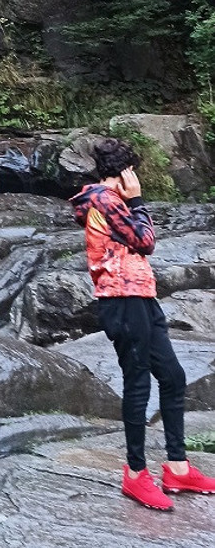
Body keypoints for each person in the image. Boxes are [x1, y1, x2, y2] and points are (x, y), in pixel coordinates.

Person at [72, 136, 215, 511]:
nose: (135, 177)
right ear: (122, 173)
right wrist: (136, 200)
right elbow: (146, 240)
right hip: (121, 301)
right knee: (138, 384)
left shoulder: (108, 199)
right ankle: (136, 474)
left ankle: (178, 467)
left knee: (172, 376)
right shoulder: (105, 199)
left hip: (140, 297)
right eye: (131, 171)